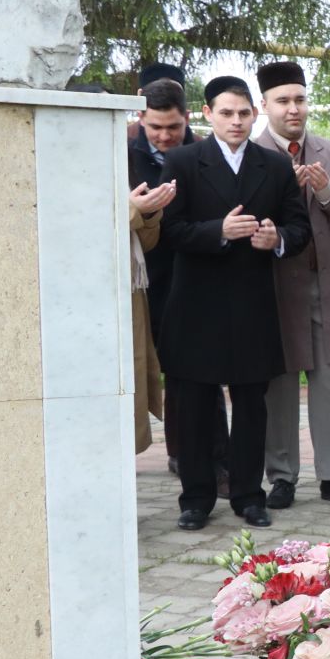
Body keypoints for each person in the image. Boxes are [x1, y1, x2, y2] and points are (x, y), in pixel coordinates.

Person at [157, 76, 311, 530]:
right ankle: (196, 497)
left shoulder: (275, 165)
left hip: (252, 302)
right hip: (196, 303)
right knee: (195, 405)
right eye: (226, 113)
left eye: (244, 113)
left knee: (250, 403)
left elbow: (298, 229)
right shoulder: (183, 161)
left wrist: (276, 238)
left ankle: (248, 494)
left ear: (255, 114)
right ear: (206, 115)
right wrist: (217, 232)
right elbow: (168, 232)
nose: (237, 121)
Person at [252, 60, 330, 510]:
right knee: (278, 385)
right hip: (273, 286)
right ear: (265, 105)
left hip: (327, 284)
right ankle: (281, 477)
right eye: (283, 101)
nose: (293, 109)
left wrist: (326, 191)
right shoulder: (254, 152)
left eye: (300, 99)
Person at [128, 73, 227, 486]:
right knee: (150, 372)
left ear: (188, 117)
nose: (166, 136)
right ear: (140, 118)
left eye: (174, 127)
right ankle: (177, 452)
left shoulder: (206, 153)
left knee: (200, 372)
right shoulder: (119, 152)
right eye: (156, 128)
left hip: (194, 273)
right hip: (141, 279)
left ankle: (216, 461)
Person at [128, 176, 174, 452]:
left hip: (130, 291)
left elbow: (145, 242)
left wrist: (148, 212)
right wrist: (132, 209)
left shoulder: (116, 166)